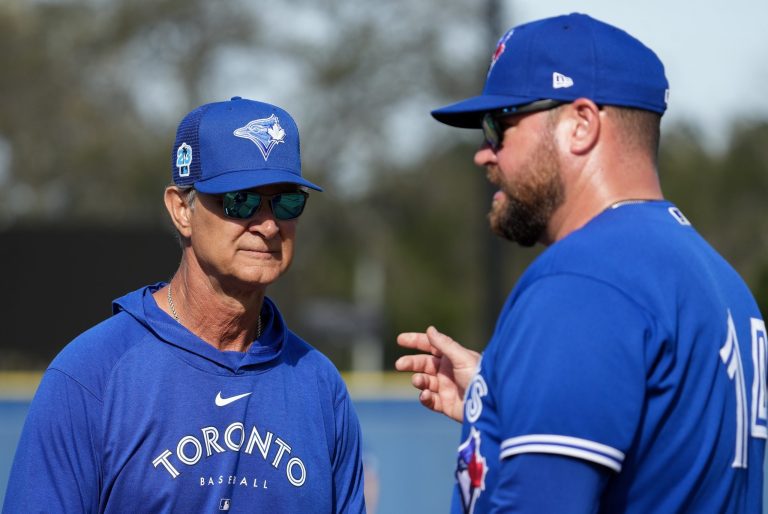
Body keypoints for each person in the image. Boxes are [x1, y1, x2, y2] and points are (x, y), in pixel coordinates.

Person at [395, 13, 766, 514]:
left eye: (498, 125)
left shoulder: (582, 282)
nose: (484, 154)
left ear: (582, 124)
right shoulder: (719, 279)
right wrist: (504, 404)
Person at [3, 97, 366, 513]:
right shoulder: (91, 376)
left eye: (286, 201)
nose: (267, 224)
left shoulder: (319, 386)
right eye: (240, 200)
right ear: (181, 210)